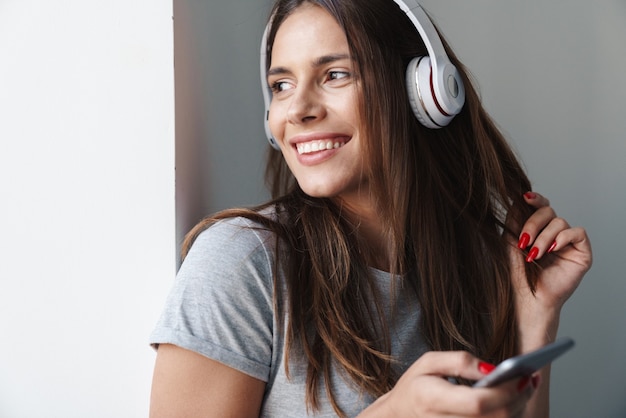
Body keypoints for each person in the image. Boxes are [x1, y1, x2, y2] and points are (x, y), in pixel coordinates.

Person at [149, 0, 592, 416]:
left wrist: (533, 320)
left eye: (335, 75)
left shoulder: (472, 266)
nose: (297, 109)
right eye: (281, 86)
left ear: (423, 90)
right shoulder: (241, 262)